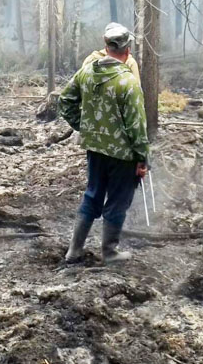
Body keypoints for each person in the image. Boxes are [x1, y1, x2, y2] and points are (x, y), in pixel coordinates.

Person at [58, 23, 149, 263]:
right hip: (122, 154)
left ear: (106, 46)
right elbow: (137, 126)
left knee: (93, 195)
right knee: (119, 201)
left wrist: (84, 126)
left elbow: (65, 101)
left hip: (95, 149)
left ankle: (74, 250)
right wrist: (142, 158)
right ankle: (109, 252)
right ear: (127, 50)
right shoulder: (128, 82)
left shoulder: (86, 72)